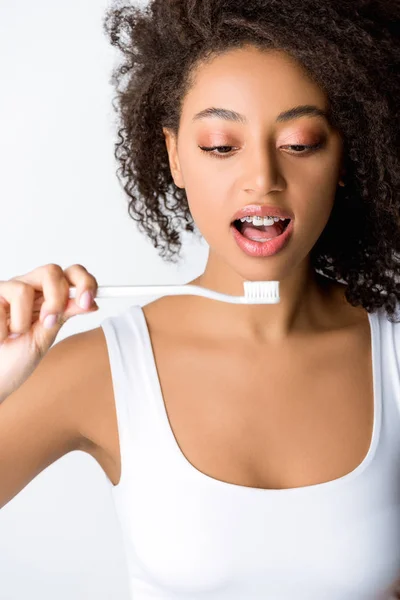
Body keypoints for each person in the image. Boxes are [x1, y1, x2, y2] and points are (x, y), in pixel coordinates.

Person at [1, 0, 400, 597]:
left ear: (345, 155)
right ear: (175, 157)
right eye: (220, 145)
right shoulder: (103, 369)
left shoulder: (393, 352)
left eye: (299, 141)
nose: (261, 176)